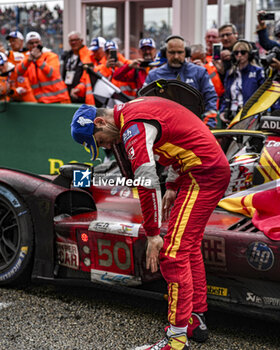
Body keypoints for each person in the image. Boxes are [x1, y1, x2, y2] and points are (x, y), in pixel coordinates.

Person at [71, 98, 230, 349]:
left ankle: (176, 339)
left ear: (101, 121)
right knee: (188, 247)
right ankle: (194, 318)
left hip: (202, 172)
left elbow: (145, 182)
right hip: (200, 169)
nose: (108, 146)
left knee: (173, 255)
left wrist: (153, 233)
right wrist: (172, 185)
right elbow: (182, 136)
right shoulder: (134, 110)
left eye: (100, 140)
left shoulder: (132, 125)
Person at [145, 35, 218, 128]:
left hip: (194, 128)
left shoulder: (199, 72)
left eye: (180, 52)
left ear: (186, 53)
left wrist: (208, 126)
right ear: (164, 53)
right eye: (172, 52)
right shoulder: (153, 75)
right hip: (163, 130)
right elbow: (143, 102)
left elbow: (210, 98)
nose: (176, 56)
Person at [16, 31, 70, 104]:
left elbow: (51, 73)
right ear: (27, 45)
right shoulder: (27, 59)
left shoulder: (51, 56)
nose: (34, 45)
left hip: (59, 99)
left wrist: (38, 59)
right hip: (41, 101)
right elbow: (18, 72)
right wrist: (28, 61)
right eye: (31, 43)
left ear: (40, 43)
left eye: (36, 42)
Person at [219, 40, 265, 124]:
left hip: (250, 115)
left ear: (249, 54)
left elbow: (263, 95)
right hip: (232, 115)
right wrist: (222, 111)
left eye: (243, 52)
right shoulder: (230, 73)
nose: (239, 55)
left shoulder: (257, 71)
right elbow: (225, 96)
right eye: (236, 53)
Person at [61, 31, 92, 103]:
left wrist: (79, 88)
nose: (73, 42)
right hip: (68, 92)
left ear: (81, 41)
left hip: (82, 93)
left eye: (75, 40)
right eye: (71, 40)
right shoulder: (67, 55)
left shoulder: (88, 55)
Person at [191, 44, 224, 108]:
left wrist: (204, 71)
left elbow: (218, 90)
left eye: (200, 58)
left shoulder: (213, 64)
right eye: (194, 59)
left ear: (204, 56)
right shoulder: (186, 69)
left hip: (212, 106)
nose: (197, 61)